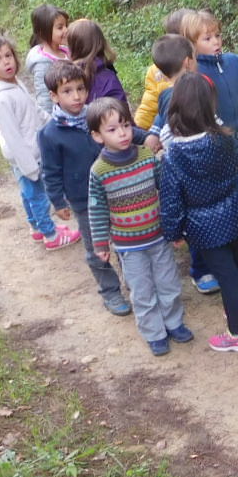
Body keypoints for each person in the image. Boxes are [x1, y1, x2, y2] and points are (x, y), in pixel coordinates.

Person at [158, 74, 238, 352]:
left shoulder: (173, 156)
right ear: (209, 106)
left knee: (227, 278)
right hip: (236, 212)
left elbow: (171, 200)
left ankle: (237, 335)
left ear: (176, 107)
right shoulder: (222, 138)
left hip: (204, 226)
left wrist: (173, 232)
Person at [39, 60, 148, 315]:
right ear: (54, 96)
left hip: (117, 192)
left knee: (124, 240)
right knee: (96, 249)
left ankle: (134, 282)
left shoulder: (95, 117)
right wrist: (58, 201)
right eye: (67, 91)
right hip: (84, 201)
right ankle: (110, 291)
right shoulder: (50, 134)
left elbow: (122, 130)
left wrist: (149, 137)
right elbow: (50, 171)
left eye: (80, 89)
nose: (76, 96)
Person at [85, 97, 190, 355]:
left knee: (168, 283)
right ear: (97, 136)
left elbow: (166, 190)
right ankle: (154, 333)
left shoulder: (146, 156)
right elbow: (97, 209)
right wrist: (101, 243)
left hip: (158, 237)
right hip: (128, 246)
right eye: (112, 129)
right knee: (142, 291)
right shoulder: (99, 171)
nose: (122, 133)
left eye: (125, 125)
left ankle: (174, 323)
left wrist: (176, 227)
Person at [178, 8, 238, 242]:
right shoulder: (194, 74)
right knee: (223, 187)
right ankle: (230, 232)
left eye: (218, 35)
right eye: (207, 38)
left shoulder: (232, 62)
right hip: (214, 142)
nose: (216, 42)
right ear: (191, 44)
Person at [0, 34, 79, 252]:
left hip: (31, 150)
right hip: (26, 156)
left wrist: (54, 124)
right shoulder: (2, 99)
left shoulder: (14, 84)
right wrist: (30, 167)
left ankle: (37, 226)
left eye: (8, 55)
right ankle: (50, 235)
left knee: (28, 193)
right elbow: (13, 137)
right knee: (38, 196)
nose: (6, 62)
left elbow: (34, 110)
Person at [64, 18, 129, 105]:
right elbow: (121, 107)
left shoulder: (67, 78)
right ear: (101, 43)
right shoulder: (109, 76)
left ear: (73, 48)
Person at [24, 4, 70, 110]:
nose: (66, 30)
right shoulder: (42, 63)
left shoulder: (66, 51)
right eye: (60, 27)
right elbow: (44, 98)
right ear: (43, 32)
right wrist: (49, 119)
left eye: (66, 25)